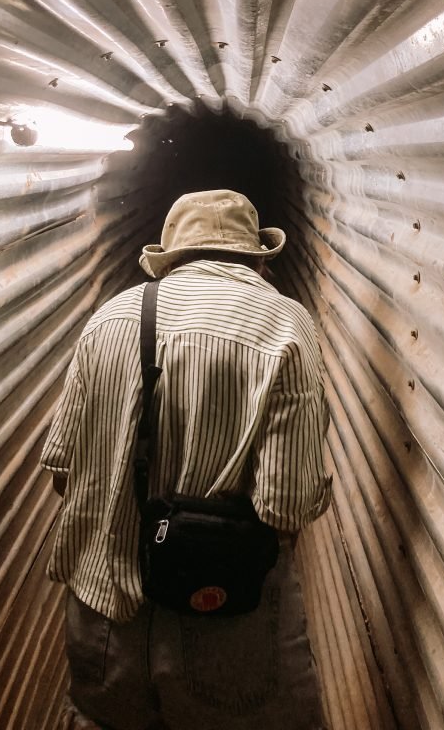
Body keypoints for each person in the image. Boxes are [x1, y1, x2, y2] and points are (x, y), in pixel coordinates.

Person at [41, 188, 332, 730]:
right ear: (259, 260)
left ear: (168, 259)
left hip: (104, 621)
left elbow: (62, 471)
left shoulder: (107, 322)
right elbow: (285, 508)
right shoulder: (288, 328)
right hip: (222, 618)